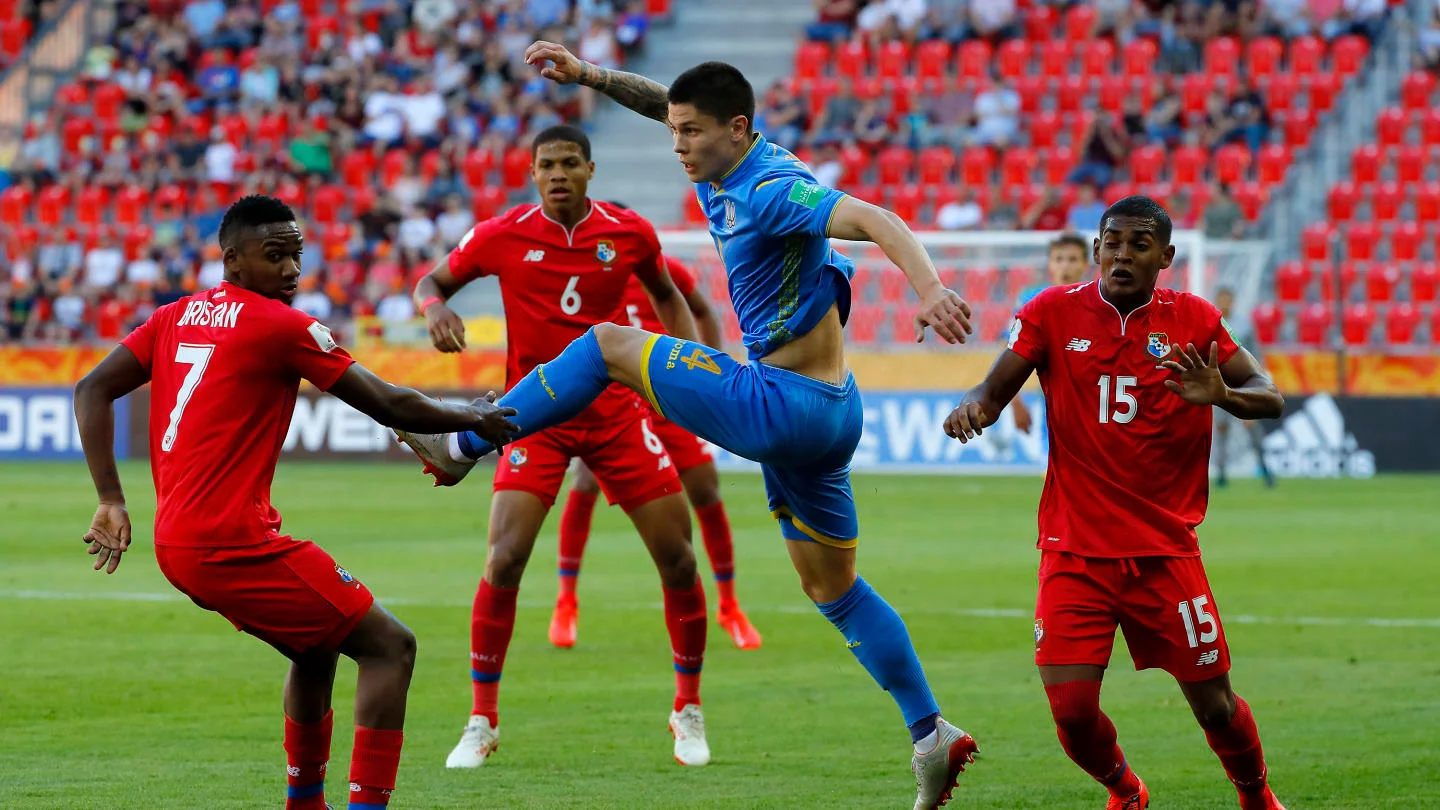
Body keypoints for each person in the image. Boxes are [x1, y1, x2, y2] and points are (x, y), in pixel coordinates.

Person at [398, 48, 979, 809]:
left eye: (691, 134)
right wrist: (594, 78)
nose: (677, 146)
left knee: (607, 345)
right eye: (673, 131)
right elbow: (667, 105)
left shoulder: (771, 188)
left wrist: (929, 287)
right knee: (831, 587)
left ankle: (462, 444)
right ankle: (930, 731)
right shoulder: (730, 158)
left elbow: (873, 217)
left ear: (736, 130)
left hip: (782, 403)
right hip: (834, 415)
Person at [72, 195, 518, 810]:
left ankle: (304, 801)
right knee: (391, 647)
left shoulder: (176, 316)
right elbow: (385, 402)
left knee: (314, 646)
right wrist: (467, 414)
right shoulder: (281, 326)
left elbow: (91, 388)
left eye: (296, 255)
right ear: (232, 260)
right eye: (274, 255)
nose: (290, 270)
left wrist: (110, 498)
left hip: (182, 540)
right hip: (228, 541)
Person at [944, 196, 1288, 810]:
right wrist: (976, 406)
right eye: (1112, 242)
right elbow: (993, 388)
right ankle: (1126, 792)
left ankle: (1258, 797)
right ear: (1097, 247)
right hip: (1074, 550)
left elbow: (1268, 394)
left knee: (1214, 704)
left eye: (1137, 244)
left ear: (1166, 256)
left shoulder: (1196, 321)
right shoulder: (1052, 312)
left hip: (1164, 552)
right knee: (1073, 713)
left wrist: (1222, 395)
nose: (1120, 255)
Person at [408, 125, 714, 770]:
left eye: (569, 163)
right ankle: (481, 721)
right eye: (546, 164)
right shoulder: (501, 234)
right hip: (531, 420)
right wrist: (434, 309)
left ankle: (687, 709)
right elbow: (430, 282)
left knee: (680, 561)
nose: (557, 174)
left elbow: (670, 296)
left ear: (590, 169)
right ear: (532, 173)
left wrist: (689, 369)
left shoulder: (629, 233)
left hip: (617, 415)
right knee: (505, 559)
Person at [553, 218, 762, 651]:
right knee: (586, 481)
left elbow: (700, 308)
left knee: (705, 487)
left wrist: (713, 369)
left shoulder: (663, 272)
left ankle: (729, 605)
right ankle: (566, 601)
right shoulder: (591, 278)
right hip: (619, 401)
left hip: (669, 397)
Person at [1008, 233, 1091, 436]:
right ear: (1050, 264)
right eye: (1059, 259)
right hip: (1053, 403)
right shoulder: (1032, 300)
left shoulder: (1100, 300)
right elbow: (1010, 351)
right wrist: (1015, 402)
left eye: (1072, 259)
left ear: (1085, 264)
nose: (1065, 266)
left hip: (1095, 402)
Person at [1212, 287, 1276, 489]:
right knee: (1221, 430)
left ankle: (1264, 469)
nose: (1225, 302)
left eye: (1228, 298)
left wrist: (1262, 379)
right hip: (1220, 384)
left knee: (1251, 427)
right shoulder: (1211, 323)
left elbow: (1255, 353)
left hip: (1242, 384)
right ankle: (1221, 474)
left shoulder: (1244, 325)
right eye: (1222, 298)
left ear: (1233, 301)